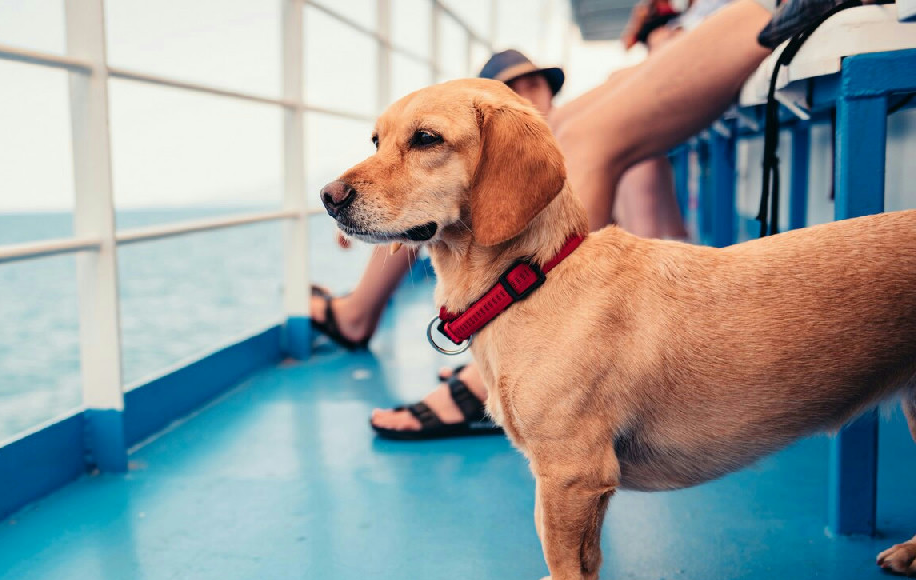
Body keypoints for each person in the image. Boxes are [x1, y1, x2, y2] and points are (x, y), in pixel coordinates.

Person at [319, 0, 889, 438]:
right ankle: (471, 346)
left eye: (534, 83)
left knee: (585, 139)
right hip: (706, 24)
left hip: (757, 13)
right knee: (568, 132)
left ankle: (502, 374)